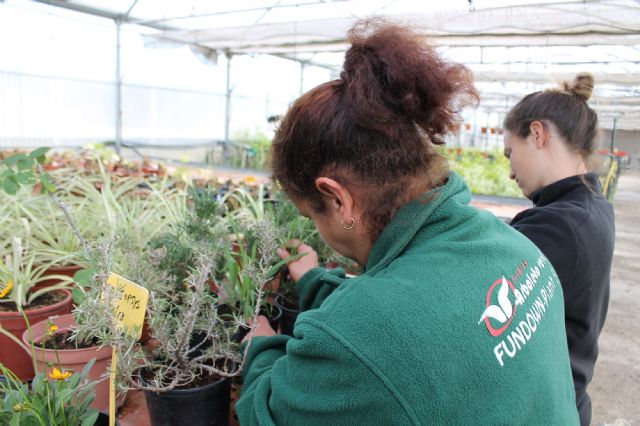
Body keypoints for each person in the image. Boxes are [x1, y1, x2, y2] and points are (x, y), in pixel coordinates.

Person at [237, 19, 579, 425]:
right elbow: (415, 311)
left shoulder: (360, 341)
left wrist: (259, 346)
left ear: (338, 199)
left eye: (312, 214)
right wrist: (313, 279)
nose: (317, 229)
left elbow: (266, 414)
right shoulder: (511, 244)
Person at [503, 73, 615, 426]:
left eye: (510, 153)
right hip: (569, 400)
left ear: (537, 134)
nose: (509, 171)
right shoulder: (595, 206)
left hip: (542, 410)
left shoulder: (559, 227)